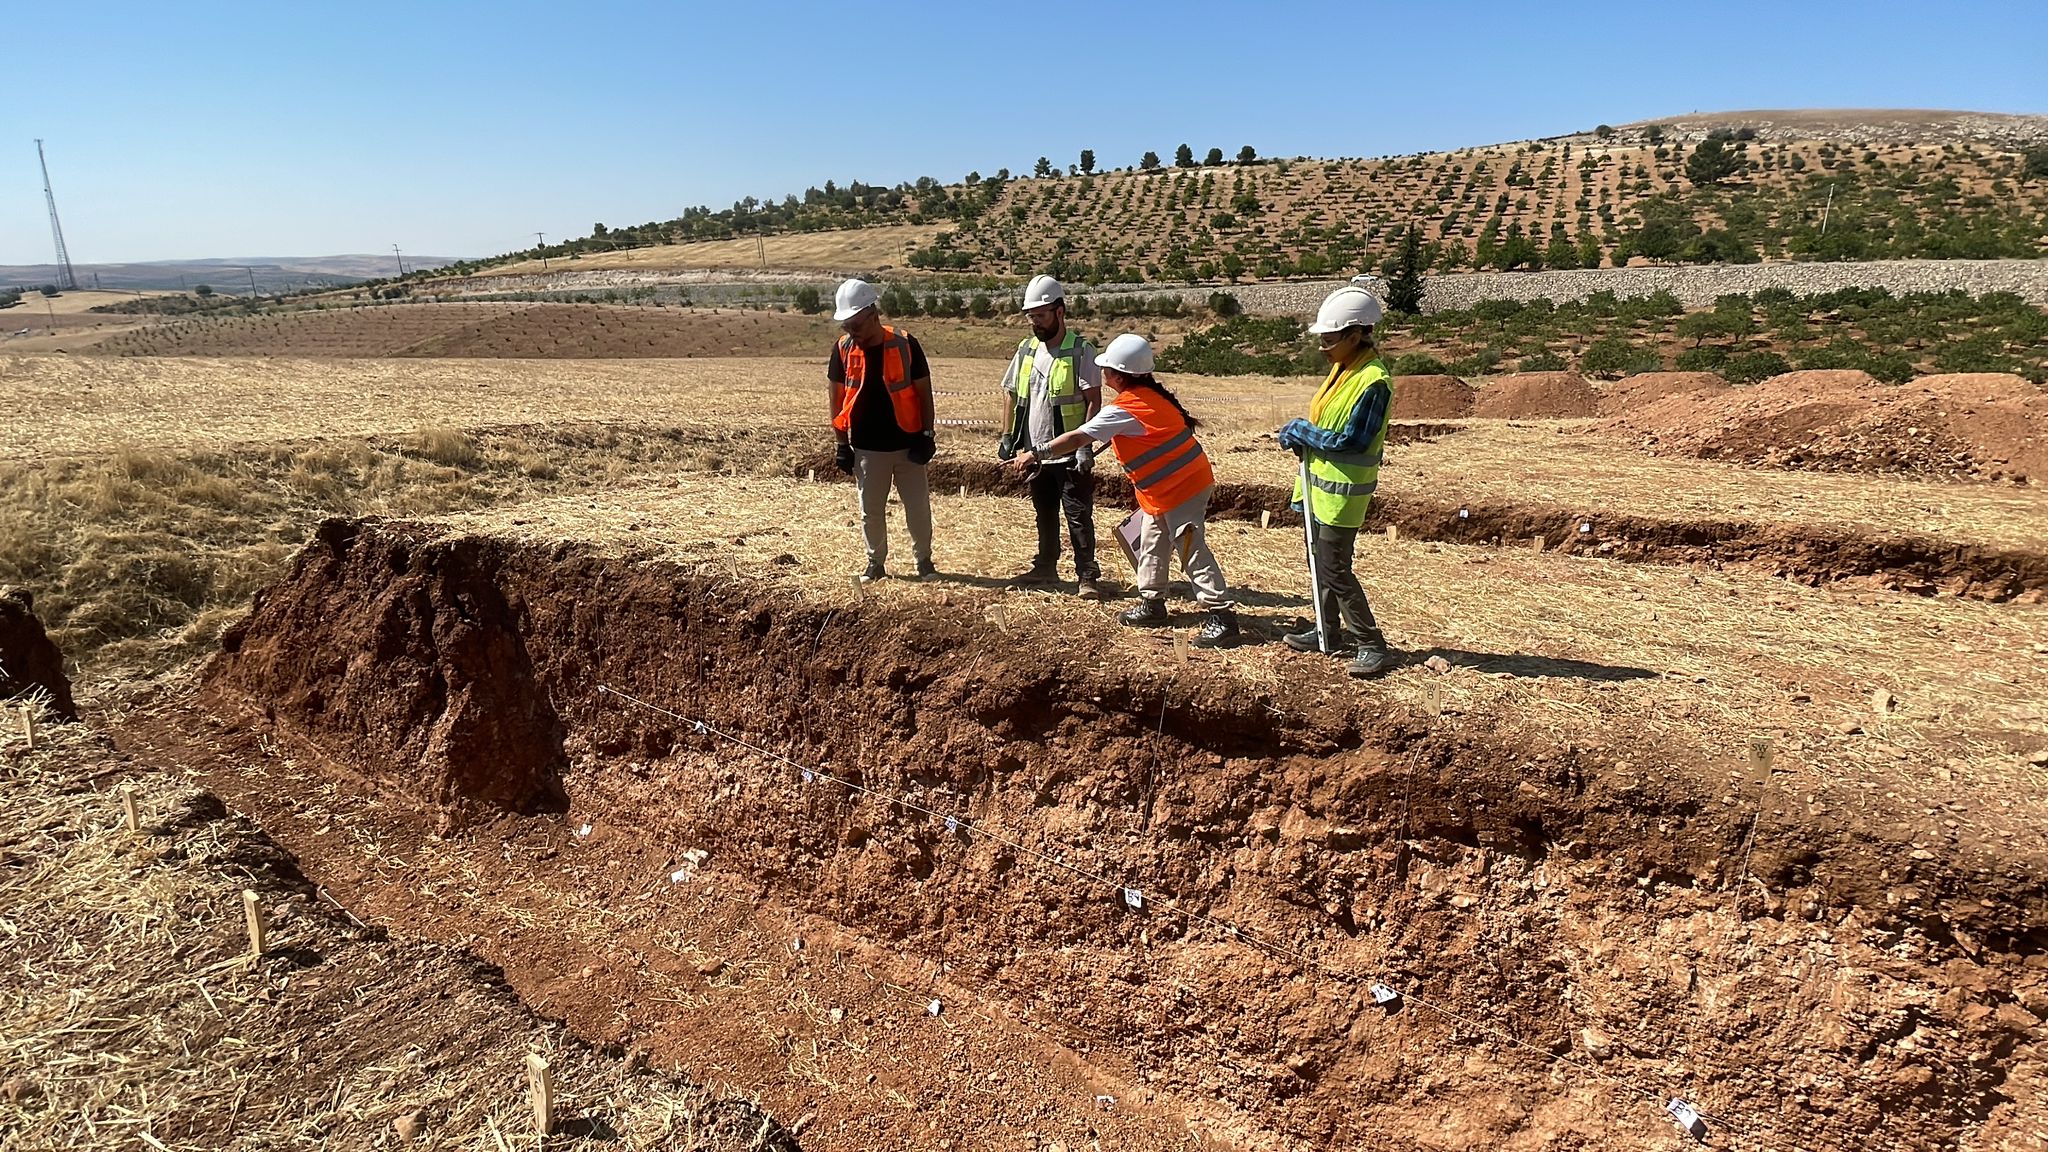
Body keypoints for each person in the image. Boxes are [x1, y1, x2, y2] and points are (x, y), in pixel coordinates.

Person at [1011, 334, 1238, 646]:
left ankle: (1222, 616)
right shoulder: (1150, 397)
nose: (1102, 373)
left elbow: (1078, 437)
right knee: (1152, 541)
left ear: (1119, 375)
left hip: (1181, 489)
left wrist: (1035, 452)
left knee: (1189, 548)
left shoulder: (1127, 407)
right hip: (1168, 489)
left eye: (1106, 369)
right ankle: (1153, 604)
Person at [1277, 285, 1396, 677]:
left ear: (1356, 334)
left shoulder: (1372, 381)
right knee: (1320, 563)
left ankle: (1370, 643)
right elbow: (1328, 424)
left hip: (1343, 495)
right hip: (1319, 487)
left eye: (1330, 339)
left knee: (1335, 569)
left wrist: (1301, 432)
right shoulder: (1344, 370)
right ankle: (1327, 630)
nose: (1323, 346)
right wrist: (1304, 437)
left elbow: (1351, 440)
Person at [997, 275, 1105, 598]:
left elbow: (1094, 401)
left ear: (1059, 312)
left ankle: (1087, 575)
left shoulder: (1081, 351)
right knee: (1044, 511)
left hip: (1071, 454)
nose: (1035, 324)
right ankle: (1046, 566)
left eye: (1041, 317)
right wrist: (1007, 437)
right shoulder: (1027, 350)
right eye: (1031, 318)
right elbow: (1011, 393)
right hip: (1035, 454)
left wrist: (1086, 445)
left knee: (1078, 515)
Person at [826, 278, 936, 581]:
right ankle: (875, 564)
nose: (852, 333)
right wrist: (841, 444)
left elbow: (924, 394)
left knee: (918, 509)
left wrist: (927, 435)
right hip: (866, 448)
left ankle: (924, 562)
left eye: (856, 326)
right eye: (846, 327)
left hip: (908, 444)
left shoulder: (905, 343)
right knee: (870, 511)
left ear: (873, 315)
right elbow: (836, 399)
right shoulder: (843, 350)